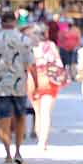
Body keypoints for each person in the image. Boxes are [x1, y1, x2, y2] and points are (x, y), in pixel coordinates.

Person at [0, 9, 34, 164]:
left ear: (2, 23)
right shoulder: (24, 39)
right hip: (20, 86)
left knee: (3, 120)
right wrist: (35, 84)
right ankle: (18, 150)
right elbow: (31, 64)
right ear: (15, 22)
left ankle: (8, 155)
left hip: (1, 85)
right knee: (20, 118)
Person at [26, 24, 65, 152]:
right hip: (48, 81)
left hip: (33, 80)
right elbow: (58, 63)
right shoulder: (51, 46)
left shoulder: (31, 47)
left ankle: (39, 139)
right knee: (46, 112)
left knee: (37, 112)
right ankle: (43, 142)